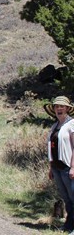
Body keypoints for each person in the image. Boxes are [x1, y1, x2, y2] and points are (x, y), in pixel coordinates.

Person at [45, 96, 74, 231]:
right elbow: (52, 147)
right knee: (67, 199)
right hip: (57, 168)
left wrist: (73, 167)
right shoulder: (55, 126)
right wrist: (51, 168)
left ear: (67, 108)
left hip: (68, 168)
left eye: (62, 106)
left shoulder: (71, 124)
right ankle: (68, 225)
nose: (59, 109)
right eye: (57, 106)